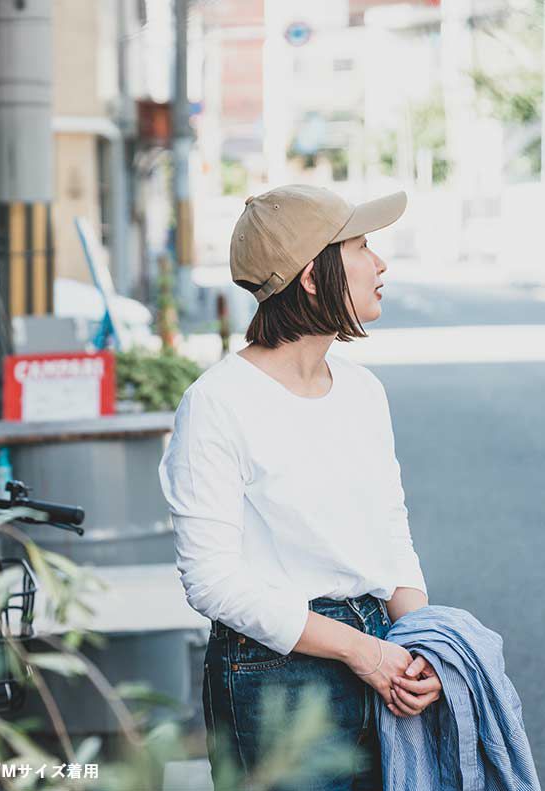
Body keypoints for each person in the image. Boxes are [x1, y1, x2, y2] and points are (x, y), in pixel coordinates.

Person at [158, 184, 443, 791]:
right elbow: (210, 579)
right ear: (313, 276)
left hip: (383, 647)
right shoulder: (217, 403)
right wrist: (357, 651)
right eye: (361, 247)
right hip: (274, 674)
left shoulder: (363, 391)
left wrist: (424, 644)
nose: (380, 263)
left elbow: (391, 534)